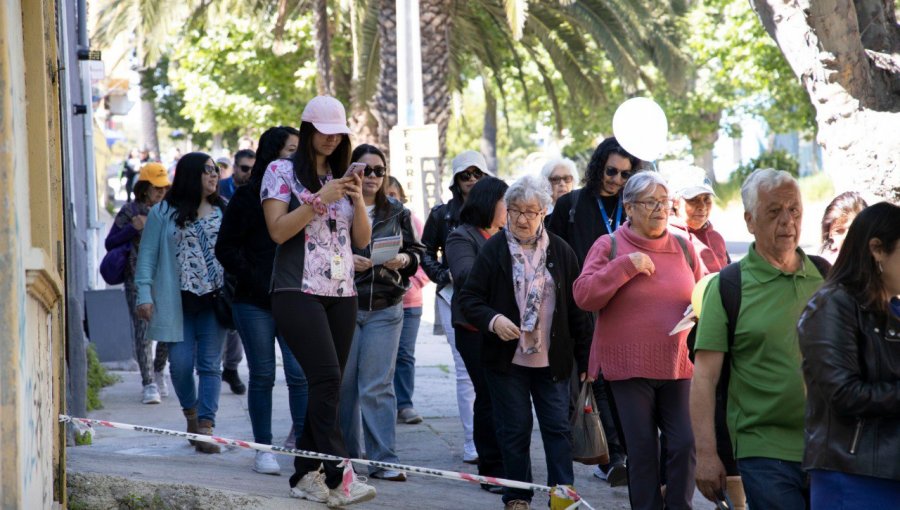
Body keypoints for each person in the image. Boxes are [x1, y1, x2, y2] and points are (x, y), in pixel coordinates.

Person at [261, 95, 375, 506]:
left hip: (342, 294)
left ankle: (304, 474)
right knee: (327, 379)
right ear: (308, 130)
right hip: (296, 290)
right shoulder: (281, 171)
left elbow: (361, 239)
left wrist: (357, 198)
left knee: (328, 386)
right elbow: (277, 231)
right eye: (323, 131)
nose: (330, 140)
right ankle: (340, 474)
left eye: (338, 133)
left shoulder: (344, 176)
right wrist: (320, 199)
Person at [691, 169, 828, 510]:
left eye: (794, 210)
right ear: (750, 221)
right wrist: (706, 455)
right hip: (763, 448)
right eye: (774, 212)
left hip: (828, 446)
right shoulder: (729, 286)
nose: (787, 221)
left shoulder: (826, 277)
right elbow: (704, 378)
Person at [458, 175, 591, 510]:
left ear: (543, 212)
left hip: (552, 362)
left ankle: (562, 495)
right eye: (515, 210)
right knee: (514, 430)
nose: (521, 218)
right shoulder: (494, 249)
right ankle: (517, 494)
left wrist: (587, 360)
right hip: (507, 362)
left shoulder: (561, 251)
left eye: (530, 212)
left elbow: (577, 312)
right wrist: (493, 320)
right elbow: (470, 299)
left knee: (557, 429)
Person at [574, 172, 702, 510]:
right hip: (627, 368)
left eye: (664, 202)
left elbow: (704, 295)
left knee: (684, 444)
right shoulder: (610, 245)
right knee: (644, 450)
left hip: (677, 364)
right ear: (629, 207)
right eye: (651, 202)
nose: (661, 209)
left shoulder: (684, 248)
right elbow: (584, 295)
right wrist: (624, 266)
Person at [547, 136, 641, 485]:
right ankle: (613, 455)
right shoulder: (572, 204)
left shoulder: (635, 205)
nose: (616, 180)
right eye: (611, 170)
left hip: (627, 305)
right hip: (583, 305)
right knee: (595, 378)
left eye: (625, 175)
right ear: (598, 165)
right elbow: (551, 253)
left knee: (625, 380)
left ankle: (626, 452)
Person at [215, 127, 306, 475]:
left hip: (295, 297)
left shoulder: (304, 193)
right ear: (272, 154)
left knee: (299, 375)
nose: (296, 157)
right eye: (290, 150)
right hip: (253, 301)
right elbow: (225, 248)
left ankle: (304, 448)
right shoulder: (246, 197)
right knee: (263, 374)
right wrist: (254, 275)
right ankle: (262, 449)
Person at [798, 201, 900, 509]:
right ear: (877, 249)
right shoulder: (833, 304)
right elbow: (843, 392)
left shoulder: (893, 308)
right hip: (851, 475)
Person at [339, 144, 425, 482]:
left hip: (386, 306)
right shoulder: (336, 206)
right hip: (344, 305)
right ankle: (345, 458)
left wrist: (403, 260)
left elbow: (417, 254)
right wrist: (348, 261)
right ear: (352, 170)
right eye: (365, 169)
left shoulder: (397, 211)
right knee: (345, 386)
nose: (372, 177)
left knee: (377, 385)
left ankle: (383, 459)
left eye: (379, 170)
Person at [134, 152, 228, 454]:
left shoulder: (223, 210)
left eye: (215, 171)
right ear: (190, 175)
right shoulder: (163, 212)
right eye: (207, 171)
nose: (214, 176)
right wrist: (144, 295)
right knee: (181, 365)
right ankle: (191, 413)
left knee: (211, 366)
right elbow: (146, 256)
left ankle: (206, 426)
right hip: (177, 302)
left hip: (215, 302)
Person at [421, 150, 490, 463]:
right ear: (455, 180)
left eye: (477, 174)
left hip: (494, 300)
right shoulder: (442, 214)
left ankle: (493, 436)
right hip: (454, 298)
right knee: (465, 371)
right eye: (466, 175)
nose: (472, 180)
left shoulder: (499, 209)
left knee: (495, 370)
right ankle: (471, 442)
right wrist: (441, 273)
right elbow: (424, 251)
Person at [446, 176, 509, 492]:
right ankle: (491, 469)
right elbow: (465, 275)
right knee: (487, 396)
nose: (511, 210)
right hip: (475, 329)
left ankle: (508, 463)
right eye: (505, 202)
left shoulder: (509, 235)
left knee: (504, 396)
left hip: (506, 329)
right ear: (489, 203)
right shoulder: (462, 237)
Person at [106, 162, 171, 404]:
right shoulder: (130, 211)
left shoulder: (169, 210)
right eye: (156, 188)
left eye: (164, 188)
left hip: (165, 279)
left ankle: (158, 370)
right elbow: (110, 243)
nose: (161, 192)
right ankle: (148, 383)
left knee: (166, 330)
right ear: (144, 187)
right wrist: (131, 229)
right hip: (135, 278)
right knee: (143, 331)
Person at [386, 176, 430, 425]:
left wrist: (413, 283)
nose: (391, 197)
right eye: (387, 193)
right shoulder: (371, 219)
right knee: (383, 356)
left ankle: (405, 404)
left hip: (410, 302)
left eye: (395, 193)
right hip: (382, 301)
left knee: (404, 355)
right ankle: (385, 403)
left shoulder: (412, 221)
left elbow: (424, 258)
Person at [219, 149, 256, 395]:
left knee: (236, 323)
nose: (248, 174)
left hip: (243, 264)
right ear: (234, 167)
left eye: (253, 169)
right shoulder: (219, 190)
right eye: (244, 168)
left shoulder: (260, 191)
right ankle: (214, 367)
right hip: (220, 261)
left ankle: (230, 367)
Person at [669, 170, 729, 274]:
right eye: (693, 199)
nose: (702, 206)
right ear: (676, 203)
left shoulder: (716, 238)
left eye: (706, 199)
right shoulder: (667, 237)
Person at [819, 191, 868, 264]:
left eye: (853, 230)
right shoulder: (824, 269)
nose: (845, 238)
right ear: (830, 237)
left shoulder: (881, 266)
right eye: (838, 231)